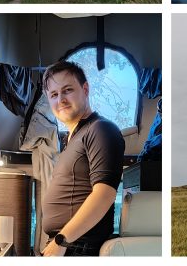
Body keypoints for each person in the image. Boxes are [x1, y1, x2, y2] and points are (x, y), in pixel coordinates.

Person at [40, 61, 124, 257]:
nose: (60, 99)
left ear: (85, 89)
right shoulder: (74, 138)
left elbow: (104, 194)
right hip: (65, 246)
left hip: (76, 248)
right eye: (54, 94)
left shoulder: (101, 129)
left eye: (67, 90)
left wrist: (62, 240)